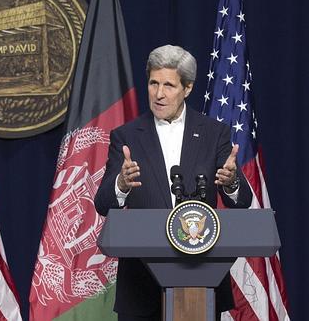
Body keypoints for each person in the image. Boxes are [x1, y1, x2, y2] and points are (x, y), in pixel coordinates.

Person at [94, 45, 253, 321]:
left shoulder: (214, 133)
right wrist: (121, 183)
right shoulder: (126, 135)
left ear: (187, 88)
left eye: (168, 85)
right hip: (141, 285)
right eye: (153, 83)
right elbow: (103, 204)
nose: (158, 93)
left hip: (201, 279)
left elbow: (241, 200)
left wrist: (231, 182)